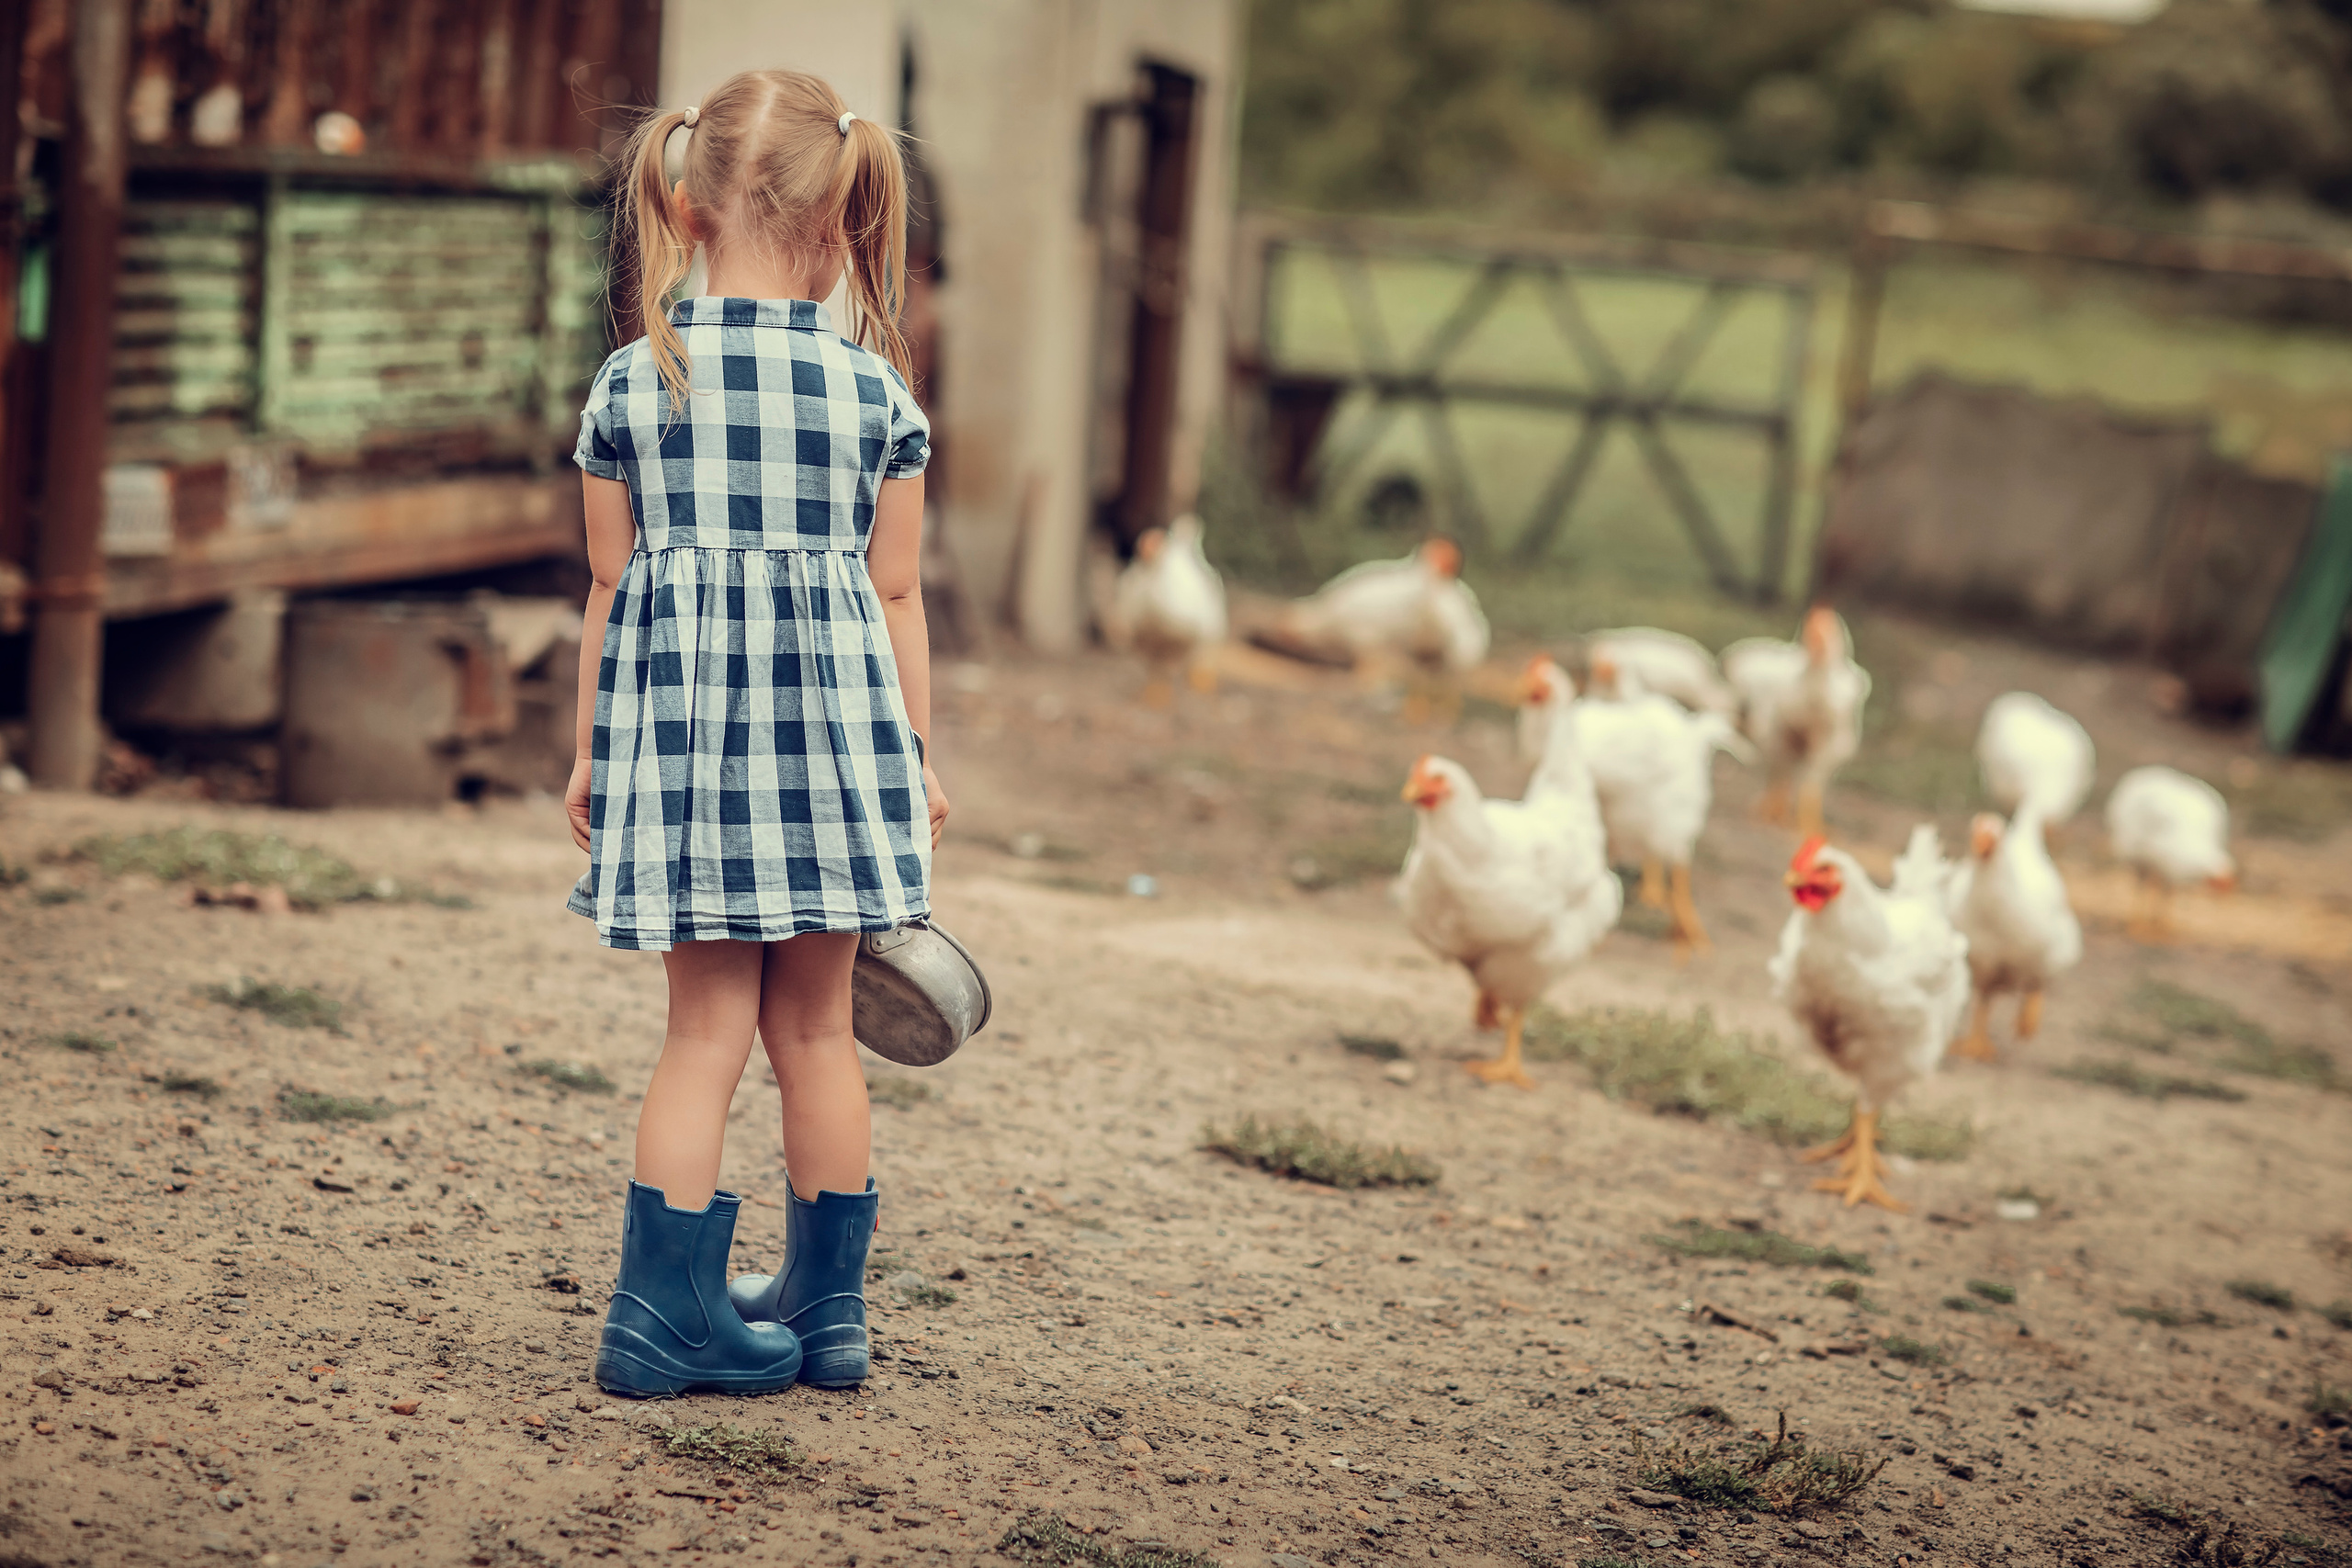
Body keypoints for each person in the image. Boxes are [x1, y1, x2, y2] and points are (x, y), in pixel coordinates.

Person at [562, 69, 947, 1398]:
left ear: (681, 200)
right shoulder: (874, 398)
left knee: (700, 1040)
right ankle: (827, 1317)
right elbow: (897, 594)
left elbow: (610, 590)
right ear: (844, 225)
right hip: (837, 762)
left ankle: (659, 1317)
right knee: (819, 1036)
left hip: (678, 761)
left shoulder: (632, 381)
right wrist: (916, 758)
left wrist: (588, 751)